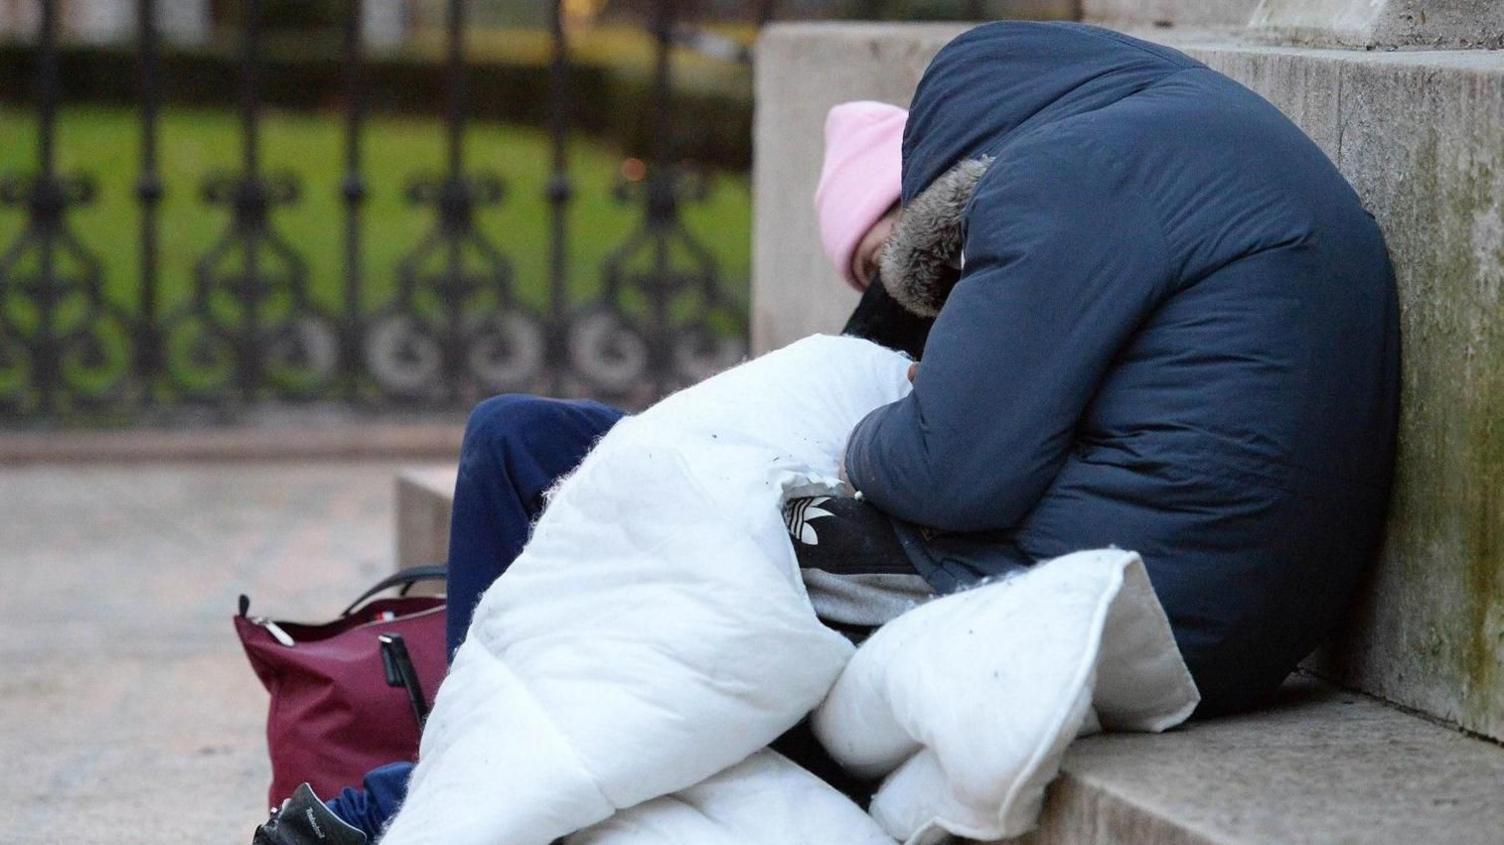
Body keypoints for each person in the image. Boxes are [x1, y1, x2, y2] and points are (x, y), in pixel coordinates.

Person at [253, 100, 921, 845]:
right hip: (786, 513)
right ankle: (469, 749)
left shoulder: (1001, 278)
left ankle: (419, 797)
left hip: (836, 594)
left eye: (895, 248)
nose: (889, 281)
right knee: (511, 434)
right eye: (870, 271)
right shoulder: (908, 327)